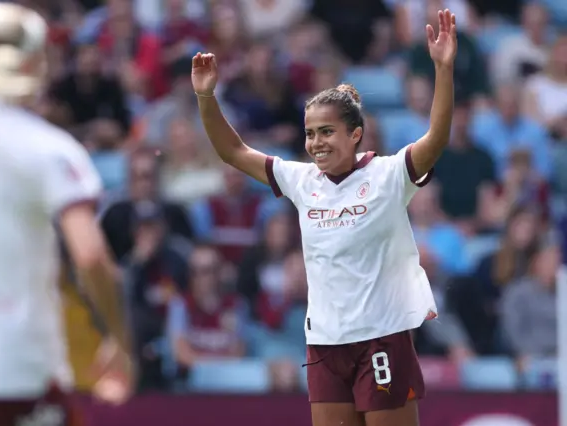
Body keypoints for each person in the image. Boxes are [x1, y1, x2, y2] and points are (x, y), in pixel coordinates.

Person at [191, 8, 457, 426]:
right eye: (310, 133)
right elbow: (233, 152)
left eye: (327, 132)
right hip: (325, 344)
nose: (316, 142)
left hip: (382, 338)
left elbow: (436, 138)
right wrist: (206, 97)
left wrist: (443, 68)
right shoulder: (301, 180)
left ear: (355, 134)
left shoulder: (388, 174)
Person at [0, 1, 132, 425]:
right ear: (35, 61)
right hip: (16, 364)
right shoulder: (45, 146)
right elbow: (91, 256)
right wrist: (118, 337)